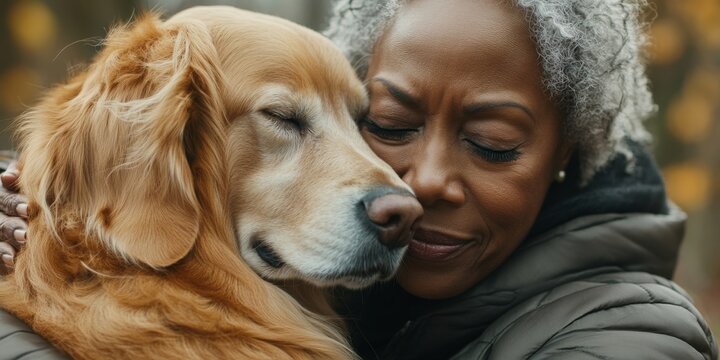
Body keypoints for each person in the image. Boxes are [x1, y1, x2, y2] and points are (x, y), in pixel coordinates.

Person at [0, 0, 717, 359]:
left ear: (567, 154)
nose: (415, 187)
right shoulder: (336, 291)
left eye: (493, 145)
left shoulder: (632, 333)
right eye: (390, 125)